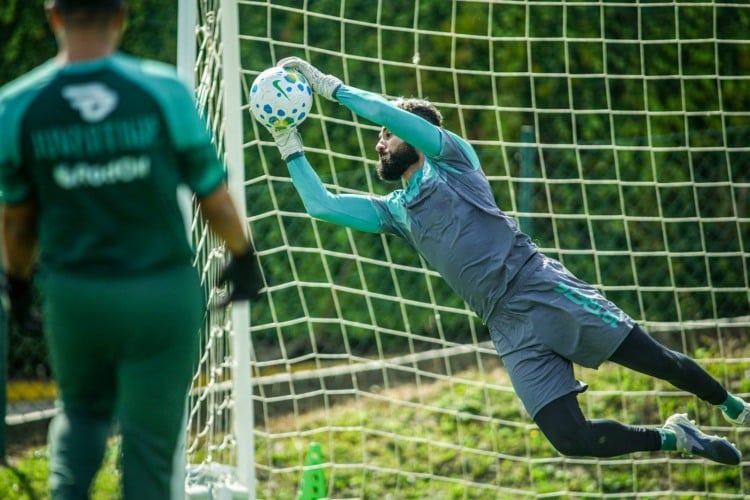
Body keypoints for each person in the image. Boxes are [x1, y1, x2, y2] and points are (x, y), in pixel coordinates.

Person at [264, 57, 749, 466]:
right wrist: (288, 142)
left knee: (657, 361)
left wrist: (330, 88)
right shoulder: (397, 212)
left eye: (388, 134)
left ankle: (733, 406)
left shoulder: (452, 161)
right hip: (505, 325)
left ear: (417, 136)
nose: (380, 142)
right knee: (570, 439)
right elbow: (322, 205)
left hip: (538, 286)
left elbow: (385, 112)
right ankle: (675, 438)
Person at [0, 0, 264, 498]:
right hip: (161, 293)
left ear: (53, 17)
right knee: (149, 445)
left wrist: (17, 285)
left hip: (77, 295)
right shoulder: (163, 89)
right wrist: (243, 258)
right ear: (121, 16)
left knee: (81, 414)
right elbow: (215, 200)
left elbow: (16, 221)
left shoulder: (14, 106)